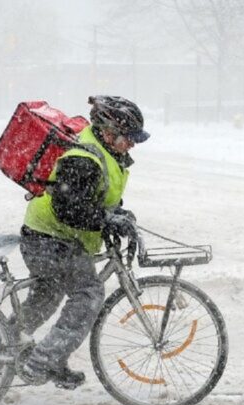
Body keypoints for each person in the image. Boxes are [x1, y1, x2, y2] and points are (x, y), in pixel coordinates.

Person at [18, 95, 150, 389]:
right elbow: (69, 208)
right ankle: (42, 362)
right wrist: (105, 220)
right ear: (108, 131)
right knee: (88, 293)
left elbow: (97, 195)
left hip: (47, 237)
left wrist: (116, 215)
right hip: (51, 239)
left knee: (46, 298)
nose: (132, 144)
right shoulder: (84, 157)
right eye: (128, 138)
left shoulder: (103, 152)